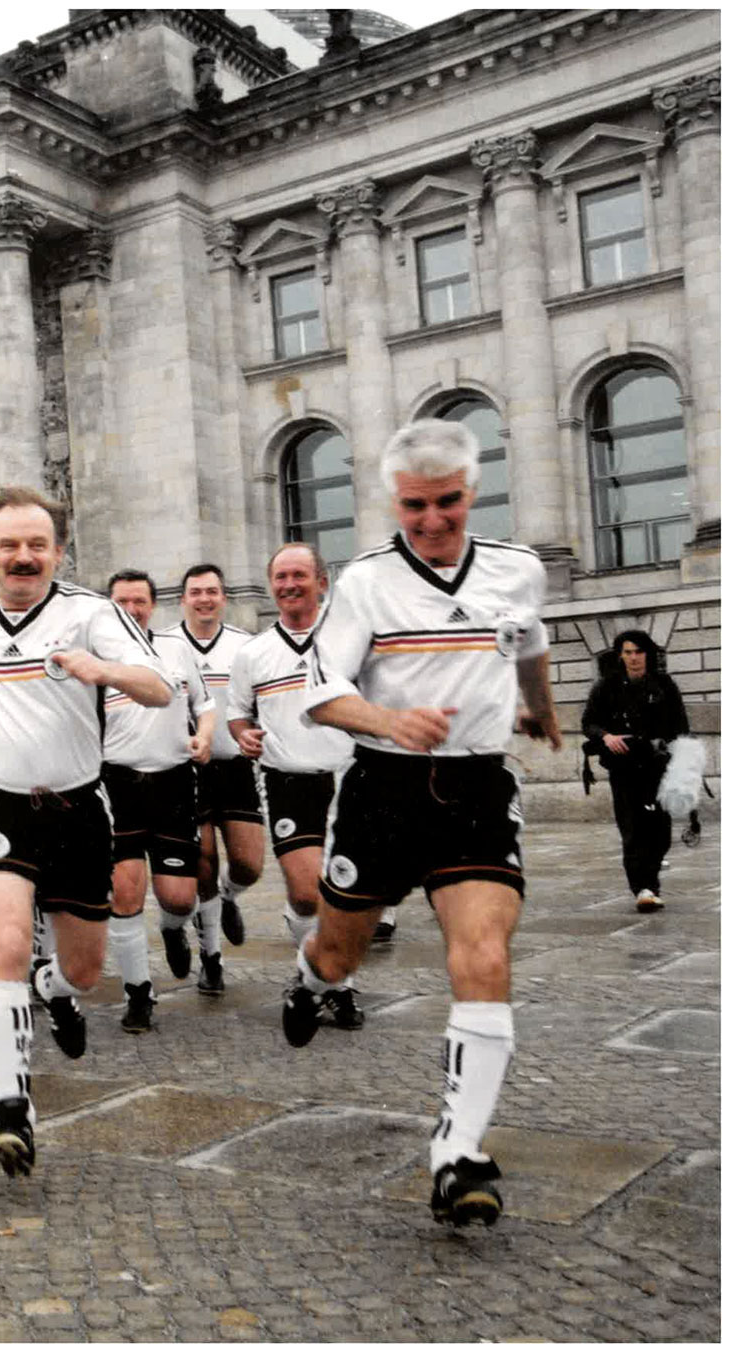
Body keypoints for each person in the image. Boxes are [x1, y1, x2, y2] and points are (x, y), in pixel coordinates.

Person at [285, 418, 561, 1229]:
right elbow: (320, 691)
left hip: (476, 788)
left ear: (472, 491)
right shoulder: (367, 583)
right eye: (415, 506)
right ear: (392, 502)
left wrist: (540, 710)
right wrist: (386, 717)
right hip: (383, 789)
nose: (433, 521)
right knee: (341, 953)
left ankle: (458, 1149)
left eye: (447, 503)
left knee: (482, 952)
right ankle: (308, 981)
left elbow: (528, 644)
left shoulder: (516, 570)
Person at [0, 487, 169, 1177]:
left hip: (79, 808)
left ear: (59, 551)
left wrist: (105, 668)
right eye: (9, 545)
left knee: (85, 970)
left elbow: (159, 687)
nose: (23, 557)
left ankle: (54, 991)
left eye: (37, 545)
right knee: (2, 938)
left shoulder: (93, 613)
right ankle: (10, 1110)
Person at [224, 544, 361, 1032]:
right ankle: (336, 986)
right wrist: (244, 734)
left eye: (299, 575)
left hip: (352, 779)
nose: (288, 585)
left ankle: (318, 983)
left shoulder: (351, 642)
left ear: (322, 582)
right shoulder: (253, 654)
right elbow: (237, 713)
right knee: (307, 894)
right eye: (280, 577)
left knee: (344, 895)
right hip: (288, 782)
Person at [101, 569, 212, 1033]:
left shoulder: (175, 649)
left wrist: (204, 737)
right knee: (125, 892)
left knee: (179, 898)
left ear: (152, 605)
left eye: (139, 601)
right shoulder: (96, 657)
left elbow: (203, 707)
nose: (132, 609)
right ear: (110, 608)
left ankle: (171, 927)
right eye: (122, 602)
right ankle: (138, 994)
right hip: (117, 782)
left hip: (172, 782)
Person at [153, 564, 263, 992]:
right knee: (203, 863)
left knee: (249, 865)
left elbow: (256, 702)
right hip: (187, 769)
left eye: (212, 591)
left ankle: (231, 896)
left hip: (234, 766)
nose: (204, 599)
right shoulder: (164, 645)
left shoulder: (244, 645)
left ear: (223, 597)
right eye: (195, 592)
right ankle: (211, 961)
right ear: (183, 598)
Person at [581, 630, 690, 912]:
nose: (633, 658)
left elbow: (681, 727)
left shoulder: (664, 685)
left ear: (648, 654)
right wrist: (606, 737)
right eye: (628, 652)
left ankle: (649, 879)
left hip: (657, 767)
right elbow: (589, 723)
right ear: (620, 655)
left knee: (660, 830)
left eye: (638, 652)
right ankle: (644, 888)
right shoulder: (606, 686)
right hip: (624, 767)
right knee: (631, 827)